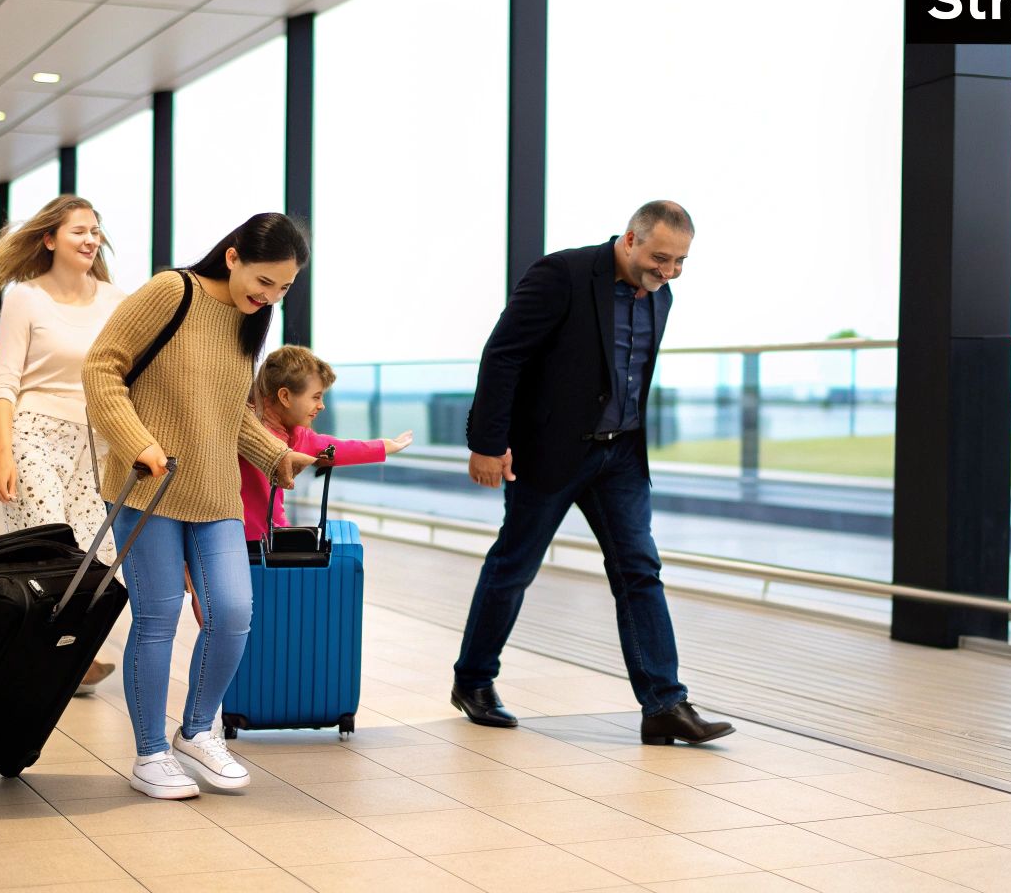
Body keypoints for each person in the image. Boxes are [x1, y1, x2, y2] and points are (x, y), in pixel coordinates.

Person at [453, 200, 734, 747]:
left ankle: (664, 704)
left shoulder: (662, 296)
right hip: (552, 452)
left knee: (639, 569)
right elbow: (504, 356)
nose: (669, 272)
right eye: (660, 258)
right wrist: (488, 444)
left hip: (621, 456)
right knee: (515, 565)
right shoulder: (562, 275)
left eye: (679, 262)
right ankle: (473, 681)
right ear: (630, 239)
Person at [83, 212, 319, 800]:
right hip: (149, 486)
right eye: (264, 282)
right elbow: (101, 368)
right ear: (233, 256)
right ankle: (149, 754)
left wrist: (274, 456)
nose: (270, 297)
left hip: (215, 490)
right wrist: (137, 441)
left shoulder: (251, 320)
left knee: (233, 611)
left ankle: (196, 730)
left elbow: (231, 407)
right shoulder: (173, 291)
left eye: (284, 289)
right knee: (158, 618)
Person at [0, 194, 127, 695]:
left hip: (96, 446)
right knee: (48, 548)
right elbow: (4, 383)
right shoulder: (25, 297)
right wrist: (3, 453)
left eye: (95, 230)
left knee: (99, 557)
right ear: (49, 239)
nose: (91, 239)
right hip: (33, 435)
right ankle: (30, 656)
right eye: (79, 231)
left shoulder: (114, 300)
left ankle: (68, 652)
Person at [239, 345, 412, 549]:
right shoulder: (243, 431)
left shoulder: (297, 435)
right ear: (285, 396)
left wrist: (384, 445)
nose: (322, 405)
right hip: (241, 543)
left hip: (270, 542)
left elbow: (337, 447)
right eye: (315, 397)